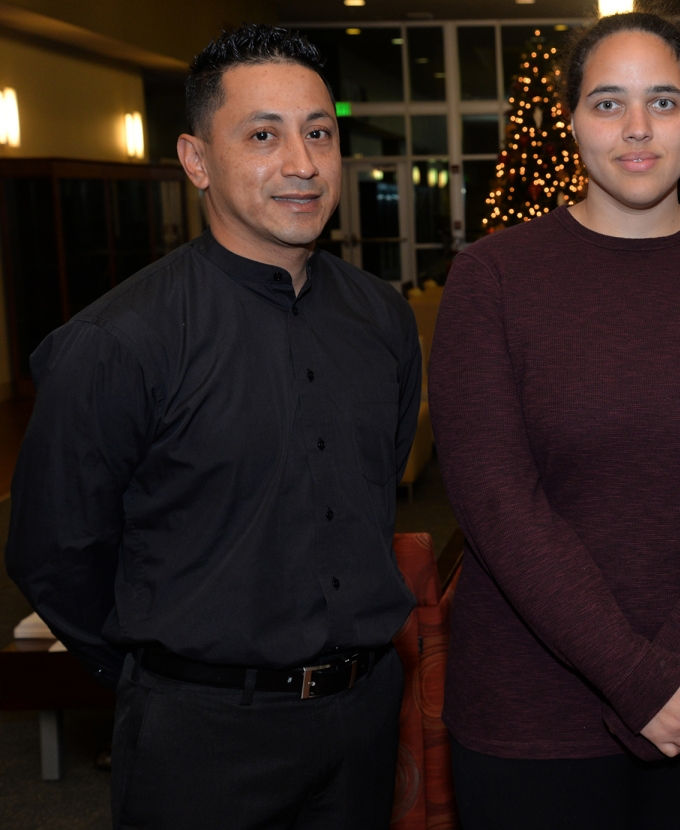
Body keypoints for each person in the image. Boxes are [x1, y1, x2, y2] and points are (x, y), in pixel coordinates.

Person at [427, 10, 680, 830]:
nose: (639, 128)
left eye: (665, 100)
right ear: (572, 119)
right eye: (608, 102)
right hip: (534, 712)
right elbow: (493, 496)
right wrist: (635, 675)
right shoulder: (491, 278)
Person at [5, 24, 421, 830]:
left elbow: (377, 492)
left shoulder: (384, 321)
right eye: (263, 135)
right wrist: (164, 673)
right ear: (196, 160)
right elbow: (53, 552)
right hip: (203, 740)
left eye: (319, 133)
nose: (301, 163)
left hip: (365, 717)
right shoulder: (119, 342)